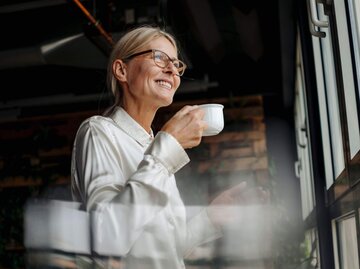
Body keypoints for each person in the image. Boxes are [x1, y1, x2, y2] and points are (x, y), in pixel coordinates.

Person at [71, 25, 268, 269]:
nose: (172, 70)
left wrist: (211, 218)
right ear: (122, 70)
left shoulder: (155, 146)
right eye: (159, 57)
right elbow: (107, 240)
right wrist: (166, 150)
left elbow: (161, 249)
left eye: (176, 64)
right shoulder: (99, 131)